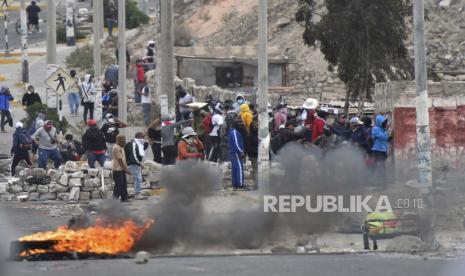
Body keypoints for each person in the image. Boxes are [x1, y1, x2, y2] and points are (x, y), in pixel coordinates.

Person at [125, 132, 148, 200]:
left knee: (137, 179)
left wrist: (146, 141)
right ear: (138, 137)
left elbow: (144, 147)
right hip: (132, 163)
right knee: (138, 178)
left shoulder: (138, 144)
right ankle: (137, 194)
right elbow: (133, 155)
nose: (144, 139)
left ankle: (135, 193)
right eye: (142, 137)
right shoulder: (134, 144)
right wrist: (139, 163)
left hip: (134, 163)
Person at [371, 114, 391, 185]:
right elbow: (384, 137)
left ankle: (381, 179)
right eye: (383, 122)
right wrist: (386, 130)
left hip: (382, 150)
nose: (385, 124)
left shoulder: (382, 129)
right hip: (377, 150)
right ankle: (380, 180)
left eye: (385, 122)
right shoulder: (375, 129)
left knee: (381, 165)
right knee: (380, 165)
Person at [228, 118, 246, 190]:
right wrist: (241, 151)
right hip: (236, 153)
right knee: (239, 168)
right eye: (240, 124)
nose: (242, 126)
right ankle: (240, 184)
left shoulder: (233, 131)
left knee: (235, 168)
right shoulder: (235, 132)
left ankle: (235, 184)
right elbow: (236, 144)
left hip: (233, 152)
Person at [112, 134, 131, 202]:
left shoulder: (121, 147)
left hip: (121, 169)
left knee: (124, 185)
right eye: (123, 141)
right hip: (117, 170)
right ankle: (114, 200)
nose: (124, 142)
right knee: (118, 186)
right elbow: (120, 160)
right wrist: (126, 170)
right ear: (119, 141)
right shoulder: (116, 148)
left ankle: (124, 198)